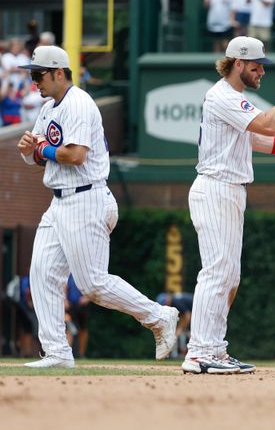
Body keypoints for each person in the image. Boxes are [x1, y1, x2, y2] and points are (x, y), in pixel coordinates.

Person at [16, 45, 180, 369]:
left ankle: (160, 316)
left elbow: (76, 155)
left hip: (86, 197)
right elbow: (37, 153)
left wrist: (42, 149)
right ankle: (58, 353)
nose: (35, 81)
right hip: (60, 200)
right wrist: (31, 150)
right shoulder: (49, 108)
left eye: (39, 74)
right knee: (42, 273)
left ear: (60, 72)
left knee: (93, 284)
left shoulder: (79, 102)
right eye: (32, 74)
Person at [182, 37, 275, 375]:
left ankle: (214, 347)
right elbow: (269, 124)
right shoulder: (223, 95)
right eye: (255, 64)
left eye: (263, 64)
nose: (261, 70)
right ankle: (198, 351)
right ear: (237, 63)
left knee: (230, 276)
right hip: (216, 188)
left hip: (229, 189)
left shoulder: (234, 99)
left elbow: (258, 139)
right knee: (216, 272)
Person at [157, 292, 194, 358]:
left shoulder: (175, 302)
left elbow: (187, 315)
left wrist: (182, 328)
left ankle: (191, 354)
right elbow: (184, 315)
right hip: (194, 309)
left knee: (191, 333)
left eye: (165, 303)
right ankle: (186, 353)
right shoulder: (175, 300)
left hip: (198, 310)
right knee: (184, 333)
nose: (166, 305)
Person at [65, 274, 90, 358]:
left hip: (82, 306)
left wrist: (86, 298)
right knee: (70, 329)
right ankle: (68, 353)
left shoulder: (84, 274)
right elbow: (63, 287)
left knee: (83, 329)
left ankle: (81, 353)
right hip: (70, 306)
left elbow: (92, 288)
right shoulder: (67, 275)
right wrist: (65, 300)